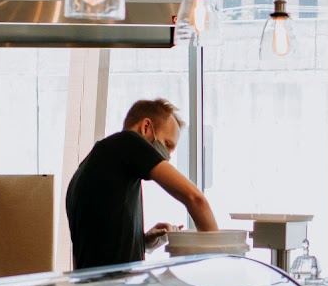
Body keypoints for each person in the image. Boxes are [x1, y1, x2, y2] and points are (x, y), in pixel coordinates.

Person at [65, 98, 218, 270]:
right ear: (146, 128)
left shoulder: (87, 168)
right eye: (167, 145)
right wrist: (217, 261)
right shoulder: (128, 141)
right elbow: (195, 198)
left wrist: (142, 242)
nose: (168, 156)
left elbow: (97, 246)